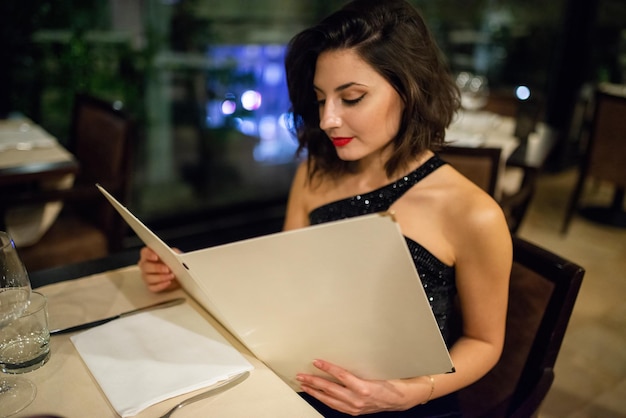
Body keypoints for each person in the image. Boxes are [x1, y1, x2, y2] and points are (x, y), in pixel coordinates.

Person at [138, 0, 512, 416]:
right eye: (320, 100)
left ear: (409, 91)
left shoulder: (473, 213)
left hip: (406, 402)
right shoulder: (316, 171)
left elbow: (485, 342)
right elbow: (285, 281)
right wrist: (191, 275)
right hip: (306, 381)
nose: (328, 120)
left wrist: (414, 392)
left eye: (351, 98)